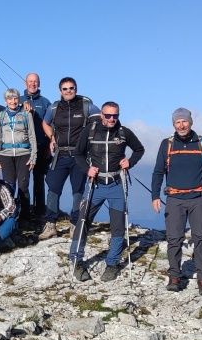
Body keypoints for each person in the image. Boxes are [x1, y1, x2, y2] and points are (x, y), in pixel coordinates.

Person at [69, 102, 145, 282]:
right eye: (108, 115)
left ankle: (112, 264)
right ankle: (76, 260)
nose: (112, 119)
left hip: (116, 184)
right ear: (101, 115)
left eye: (115, 116)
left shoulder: (124, 132)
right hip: (95, 185)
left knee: (118, 225)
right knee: (83, 221)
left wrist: (130, 162)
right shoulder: (90, 131)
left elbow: (139, 149)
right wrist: (87, 169)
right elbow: (78, 154)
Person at [151, 107, 202, 297]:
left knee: (200, 238)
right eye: (178, 122)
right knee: (174, 239)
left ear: (190, 122)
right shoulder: (167, 144)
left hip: (200, 198)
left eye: (184, 121)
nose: (181, 125)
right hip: (174, 199)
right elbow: (158, 171)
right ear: (173, 124)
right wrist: (155, 196)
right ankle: (175, 277)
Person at [41, 77, 99, 230]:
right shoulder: (54, 108)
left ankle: (75, 224)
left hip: (79, 155)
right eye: (65, 89)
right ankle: (50, 224)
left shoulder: (86, 106)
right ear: (60, 91)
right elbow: (45, 123)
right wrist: (52, 137)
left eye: (71, 88)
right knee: (53, 187)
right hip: (60, 154)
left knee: (78, 190)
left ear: (76, 89)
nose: (68, 91)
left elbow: (101, 120)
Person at [0, 88, 38, 216]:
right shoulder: (1, 116)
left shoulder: (26, 114)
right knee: (8, 186)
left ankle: (25, 215)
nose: (13, 101)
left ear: (19, 99)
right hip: (6, 155)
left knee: (23, 185)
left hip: (24, 154)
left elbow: (32, 136)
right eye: (9, 98)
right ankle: (9, 215)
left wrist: (33, 156)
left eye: (15, 98)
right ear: (5, 101)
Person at [21, 73, 52, 220]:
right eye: (30, 81)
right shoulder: (18, 100)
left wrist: (49, 144)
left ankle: (39, 211)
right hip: (23, 148)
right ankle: (24, 212)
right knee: (23, 181)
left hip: (41, 146)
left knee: (39, 180)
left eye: (35, 81)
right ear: (25, 83)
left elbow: (51, 124)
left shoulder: (45, 102)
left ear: (39, 83)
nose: (33, 84)